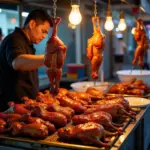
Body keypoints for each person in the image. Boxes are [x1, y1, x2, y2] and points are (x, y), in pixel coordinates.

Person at [0, 9, 53, 111]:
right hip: (12, 108)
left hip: (27, 105)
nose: (44, 36)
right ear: (32, 24)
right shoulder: (14, 39)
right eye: (43, 31)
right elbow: (17, 62)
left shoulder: (28, 43)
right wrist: (48, 58)